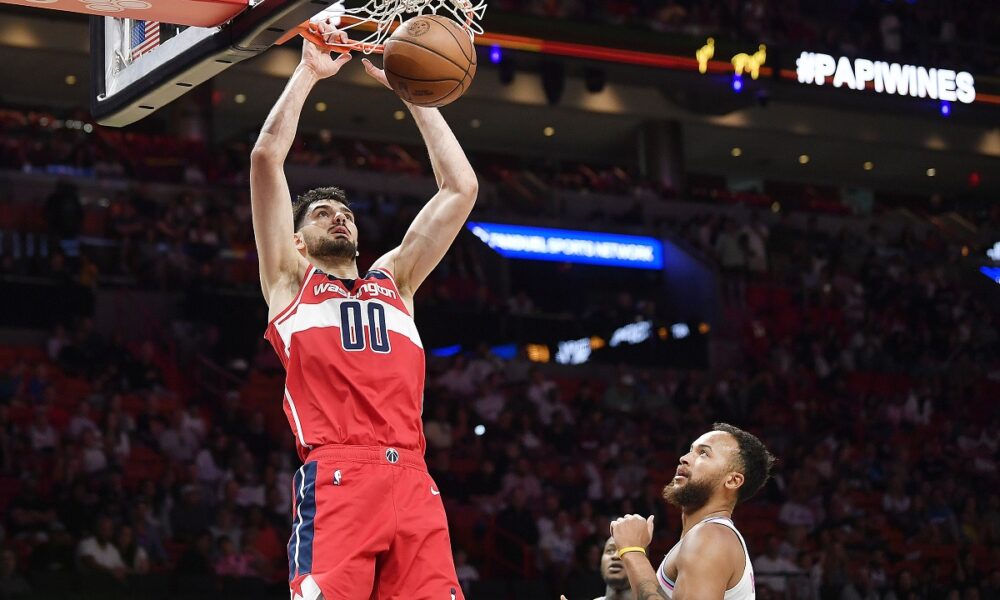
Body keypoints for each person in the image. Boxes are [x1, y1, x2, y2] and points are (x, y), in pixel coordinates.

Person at [250, 17, 478, 600]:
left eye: (343, 212)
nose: (338, 216)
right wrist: (306, 73)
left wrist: (414, 95)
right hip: (339, 475)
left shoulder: (395, 280)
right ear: (297, 242)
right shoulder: (288, 283)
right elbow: (266, 158)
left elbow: (460, 189)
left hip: (415, 477)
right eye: (321, 214)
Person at [605, 423, 775, 599]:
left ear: (732, 480)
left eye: (704, 453)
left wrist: (632, 551)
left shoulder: (712, 536)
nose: (684, 458)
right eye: (690, 450)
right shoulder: (705, 537)